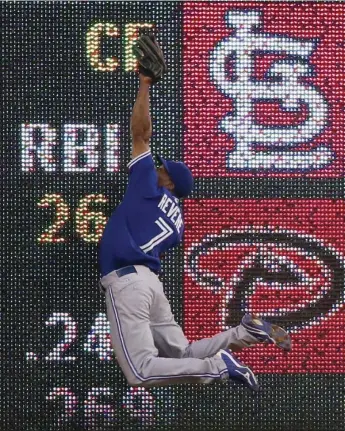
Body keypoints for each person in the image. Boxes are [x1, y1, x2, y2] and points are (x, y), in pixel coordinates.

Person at [98, 35, 291, 392]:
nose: (155, 165)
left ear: (168, 181)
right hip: (150, 285)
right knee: (182, 351)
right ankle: (242, 334)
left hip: (128, 282)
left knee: (139, 370)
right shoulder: (177, 221)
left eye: (162, 167)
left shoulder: (149, 187)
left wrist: (145, 86)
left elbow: (140, 134)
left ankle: (219, 367)